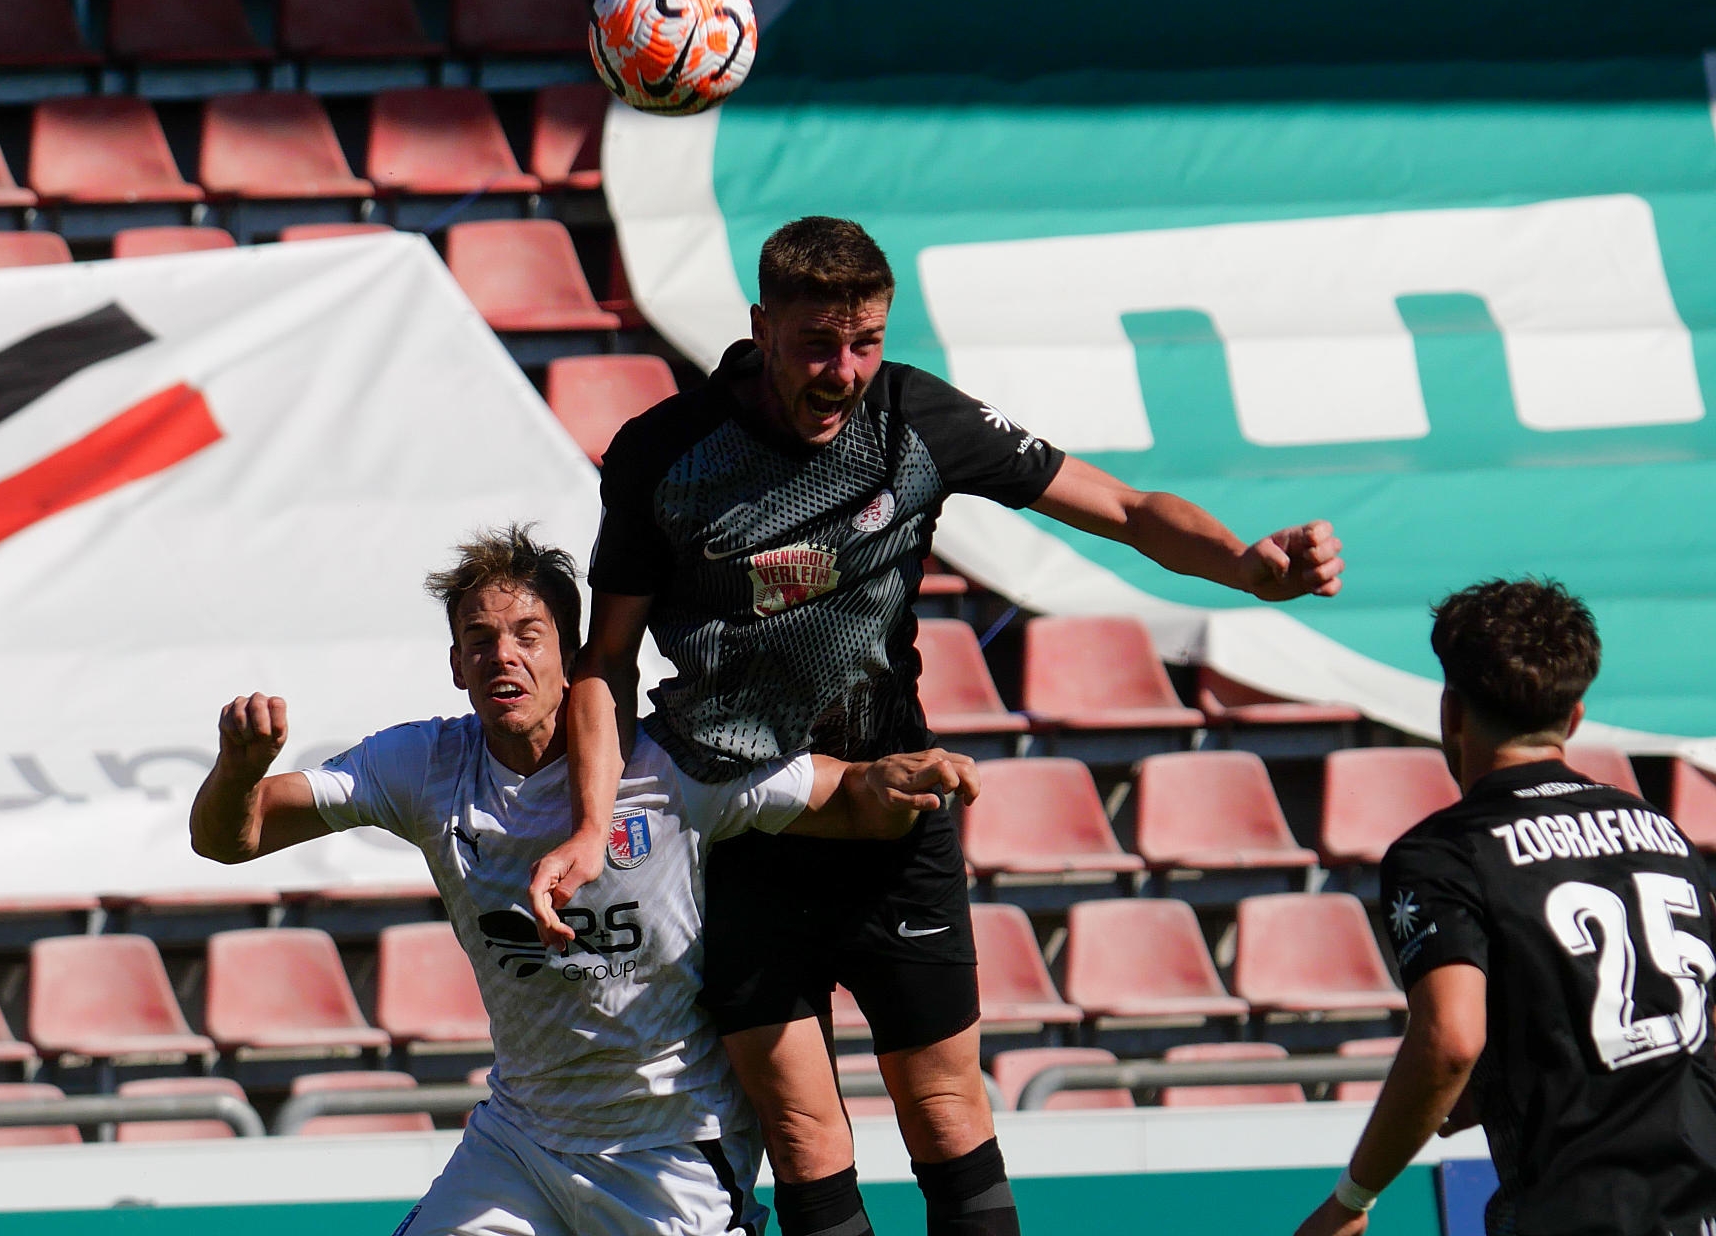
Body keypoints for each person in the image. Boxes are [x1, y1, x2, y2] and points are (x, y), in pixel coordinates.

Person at [528, 216, 1347, 1236]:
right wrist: (590, 821)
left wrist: (1244, 566)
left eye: (864, 342)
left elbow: (1126, 508)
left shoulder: (913, 418)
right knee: (803, 1136)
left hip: (892, 808)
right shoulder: (665, 453)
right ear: (760, 327)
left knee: (947, 1112)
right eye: (817, 345)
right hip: (739, 823)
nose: (844, 371)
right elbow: (605, 661)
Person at [188, 524, 980, 1236]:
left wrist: (889, 781)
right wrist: (239, 770)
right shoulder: (423, 766)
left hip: (669, 1146)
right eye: (478, 639)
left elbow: (844, 796)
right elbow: (231, 838)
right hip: (520, 1142)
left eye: (527, 635)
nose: (503, 655)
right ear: (457, 665)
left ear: (571, 656)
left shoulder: (669, 765)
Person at [1295, 578, 1716, 1236]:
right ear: (1574, 717)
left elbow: (1451, 1041)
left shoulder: (1443, 852)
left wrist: (1352, 1199)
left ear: (1450, 713)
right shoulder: (1662, 834)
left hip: (1578, 1213)